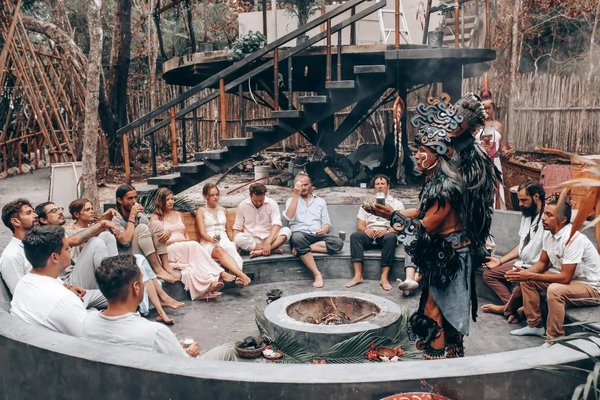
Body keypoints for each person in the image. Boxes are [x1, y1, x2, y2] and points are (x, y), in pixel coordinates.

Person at [371, 93, 499, 359]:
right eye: (417, 151)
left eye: (423, 152)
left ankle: (436, 365)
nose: (417, 156)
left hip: (451, 255)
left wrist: (394, 219)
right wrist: (391, 213)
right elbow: (421, 211)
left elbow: (424, 227)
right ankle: (449, 357)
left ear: (439, 155)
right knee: (437, 311)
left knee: (433, 312)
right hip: (443, 253)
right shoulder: (435, 182)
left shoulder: (447, 186)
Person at [82, 255, 237, 360]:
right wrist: (189, 353)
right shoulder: (154, 333)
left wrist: (173, 347)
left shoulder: (87, 323)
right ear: (136, 287)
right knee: (226, 351)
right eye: (142, 280)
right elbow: (184, 367)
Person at [67, 198, 183, 324]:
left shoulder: (96, 227)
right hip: (79, 278)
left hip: (98, 273)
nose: (91, 211)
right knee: (97, 241)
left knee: (137, 259)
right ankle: (117, 283)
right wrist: (105, 222)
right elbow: (123, 240)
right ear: (76, 214)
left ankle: (161, 308)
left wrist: (105, 220)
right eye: (87, 209)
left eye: (91, 208)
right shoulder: (68, 230)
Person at [508, 196, 600, 344]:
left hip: (593, 288)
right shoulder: (548, 234)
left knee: (554, 290)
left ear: (563, 220)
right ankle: (535, 325)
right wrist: (523, 274)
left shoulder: (572, 238)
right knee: (527, 278)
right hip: (574, 282)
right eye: (544, 213)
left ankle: (555, 338)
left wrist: (529, 274)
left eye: (549, 215)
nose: (544, 218)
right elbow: (542, 263)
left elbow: (565, 278)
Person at [152, 188, 249, 300]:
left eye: (172, 199)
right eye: (167, 199)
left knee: (196, 256)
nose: (171, 202)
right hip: (169, 249)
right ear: (161, 201)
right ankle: (221, 274)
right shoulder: (156, 218)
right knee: (194, 245)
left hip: (186, 248)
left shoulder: (178, 214)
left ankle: (211, 283)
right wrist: (183, 242)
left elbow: (186, 234)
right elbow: (158, 242)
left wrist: (186, 242)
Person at [480, 180, 545, 323]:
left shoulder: (548, 219)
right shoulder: (527, 214)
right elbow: (521, 245)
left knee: (519, 286)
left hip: (539, 268)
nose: (520, 204)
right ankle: (513, 309)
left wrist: (525, 272)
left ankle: (506, 309)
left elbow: (546, 260)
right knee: (488, 274)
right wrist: (500, 261)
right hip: (523, 263)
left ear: (536, 197)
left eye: (524, 200)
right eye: (520, 200)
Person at [10, 225, 87, 337]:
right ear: (54, 257)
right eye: (66, 248)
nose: (70, 250)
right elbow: (89, 339)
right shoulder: (64, 299)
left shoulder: (24, 282)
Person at [35, 200, 119, 292]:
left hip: (78, 273)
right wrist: (102, 223)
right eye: (54, 211)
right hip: (67, 283)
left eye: (59, 209)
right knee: (96, 242)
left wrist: (106, 220)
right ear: (43, 220)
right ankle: (114, 286)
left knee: (106, 236)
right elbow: (75, 240)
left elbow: (86, 233)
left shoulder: (64, 231)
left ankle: (118, 279)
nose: (60, 212)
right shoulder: (45, 236)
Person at [284, 173, 344, 288]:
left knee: (338, 243)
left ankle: (302, 248)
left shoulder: (320, 201)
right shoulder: (291, 200)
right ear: (295, 186)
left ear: (310, 185)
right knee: (297, 238)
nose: (303, 188)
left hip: (317, 235)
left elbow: (326, 223)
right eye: (300, 185)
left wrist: (323, 230)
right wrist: (296, 196)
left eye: (306, 185)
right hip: (300, 234)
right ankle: (317, 274)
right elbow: (289, 217)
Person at [346, 174, 404, 291]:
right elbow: (360, 224)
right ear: (374, 187)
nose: (380, 186)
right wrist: (365, 229)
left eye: (383, 184)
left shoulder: (397, 204)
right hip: (369, 234)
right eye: (377, 184)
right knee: (355, 236)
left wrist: (387, 230)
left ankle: (384, 277)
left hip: (385, 234)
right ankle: (358, 275)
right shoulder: (367, 203)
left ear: (388, 186)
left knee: (391, 237)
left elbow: (401, 225)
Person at [113, 184, 180, 283]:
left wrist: (167, 232)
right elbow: (125, 241)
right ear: (120, 200)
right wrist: (132, 216)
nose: (134, 201)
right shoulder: (116, 219)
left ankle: (166, 266)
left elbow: (151, 234)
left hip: (143, 254)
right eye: (130, 198)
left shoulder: (140, 216)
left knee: (156, 224)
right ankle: (158, 270)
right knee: (142, 228)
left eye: (135, 197)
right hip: (128, 259)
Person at [196, 184, 246, 274]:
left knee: (231, 248)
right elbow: (202, 233)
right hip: (209, 241)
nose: (215, 197)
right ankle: (240, 275)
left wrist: (234, 242)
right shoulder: (201, 211)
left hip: (224, 239)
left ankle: (238, 276)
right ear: (205, 196)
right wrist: (211, 239)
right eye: (212, 195)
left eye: (217, 194)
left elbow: (229, 230)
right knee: (218, 249)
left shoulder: (223, 210)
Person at [233, 183, 291, 258]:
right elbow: (237, 227)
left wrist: (268, 241)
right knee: (238, 238)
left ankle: (260, 252)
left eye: (261, 200)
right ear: (250, 196)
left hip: (270, 237)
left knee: (286, 231)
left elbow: (277, 224)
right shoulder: (242, 205)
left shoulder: (272, 203)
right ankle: (271, 249)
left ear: (264, 195)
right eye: (255, 201)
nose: (259, 203)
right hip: (253, 240)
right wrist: (236, 244)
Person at [474, 99, 513, 209]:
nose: (487, 110)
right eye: (484, 108)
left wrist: (506, 151)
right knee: (480, 185)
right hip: (479, 161)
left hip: (495, 160)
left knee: (495, 185)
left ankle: (495, 211)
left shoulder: (498, 125)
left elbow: (501, 145)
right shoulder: (476, 125)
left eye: (489, 108)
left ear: (493, 109)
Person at [1, 199, 38, 294]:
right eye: (29, 213)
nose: (36, 215)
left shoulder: (35, 245)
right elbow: (20, 294)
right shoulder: (12, 255)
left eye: (33, 211)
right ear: (16, 222)